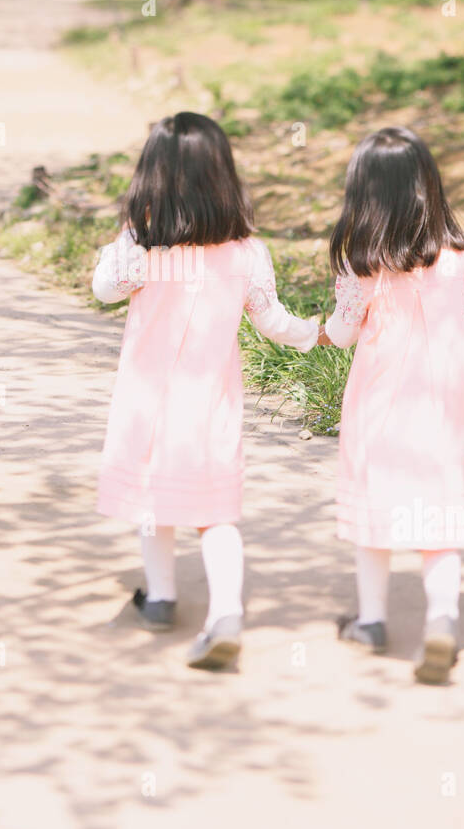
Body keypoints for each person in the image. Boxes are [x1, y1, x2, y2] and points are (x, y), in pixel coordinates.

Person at [93, 112, 318, 670]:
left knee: (153, 501)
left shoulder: (143, 243)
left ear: (153, 176)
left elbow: (103, 290)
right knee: (215, 512)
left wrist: (131, 240)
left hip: (148, 403)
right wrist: (317, 333)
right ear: (223, 175)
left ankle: (162, 599)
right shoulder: (245, 253)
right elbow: (271, 320)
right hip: (210, 405)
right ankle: (225, 614)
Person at [319, 126, 464, 684]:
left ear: (364, 193)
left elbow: (342, 331)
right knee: (441, 519)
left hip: (377, 407)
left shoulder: (362, 263)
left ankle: (373, 620)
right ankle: (441, 625)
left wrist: (319, 334)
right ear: (428, 185)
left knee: (374, 514)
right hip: (446, 409)